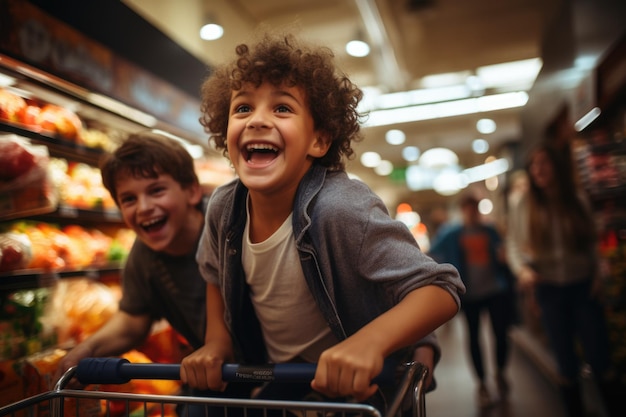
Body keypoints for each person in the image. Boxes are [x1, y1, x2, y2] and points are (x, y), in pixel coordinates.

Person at [179, 32, 465, 415]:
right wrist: (217, 342)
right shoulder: (224, 207)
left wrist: (370, 343)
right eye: (242, 108)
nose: (258, 120)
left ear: (319, 140)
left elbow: (440, 288)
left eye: (282, 109)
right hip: (279, 391)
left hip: (360, 399)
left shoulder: (341, 209)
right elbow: (214, 274)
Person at [53, 132, 210, 400]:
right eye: (129, 199)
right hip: (216, 377)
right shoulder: (143, 256)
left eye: (156, 190)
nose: (144, 207)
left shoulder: (224, 227)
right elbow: (133, 321)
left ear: (192, 191)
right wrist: (86, 351)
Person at [506, 143, 623, 417]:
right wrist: (523, 271)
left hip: (583, 286)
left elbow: (592, 243)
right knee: (566, 364)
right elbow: (513, 244)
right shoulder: (523, 204)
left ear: (556, 166)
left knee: (599, 358)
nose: (538, 170)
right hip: (549, 289)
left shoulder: (576, 199)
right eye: (534, 165)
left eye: (544, 163)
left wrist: (597, 276)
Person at [428, 193, 514, 408]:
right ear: (462, 210)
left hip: (495, 290)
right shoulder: (452, 234)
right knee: (474, 337)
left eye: (474, 208)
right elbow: (433, 253)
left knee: (501, 334)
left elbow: (505, 252)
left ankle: (501, 372)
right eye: (468, 208)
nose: (471, 212)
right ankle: (482, 383)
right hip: (471, 295)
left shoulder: (490, 231)